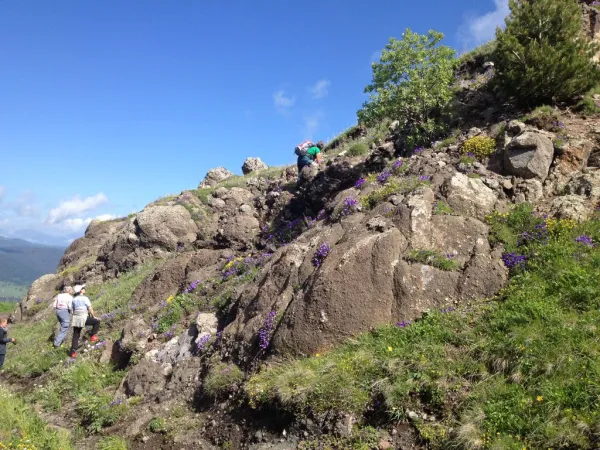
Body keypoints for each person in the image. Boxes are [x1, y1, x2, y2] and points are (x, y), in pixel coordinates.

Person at [69, 284, 100, 358]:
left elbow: (72, 310)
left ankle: (73, 352)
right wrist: (93, 316)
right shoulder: (85, 298)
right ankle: (92, 336)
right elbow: (90, 308)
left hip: (76, 318)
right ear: (80, 291)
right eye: (83, 288)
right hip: (83, 317)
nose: (84, 289)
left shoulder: (73, 299)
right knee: (96, 322)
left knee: (76, 335)